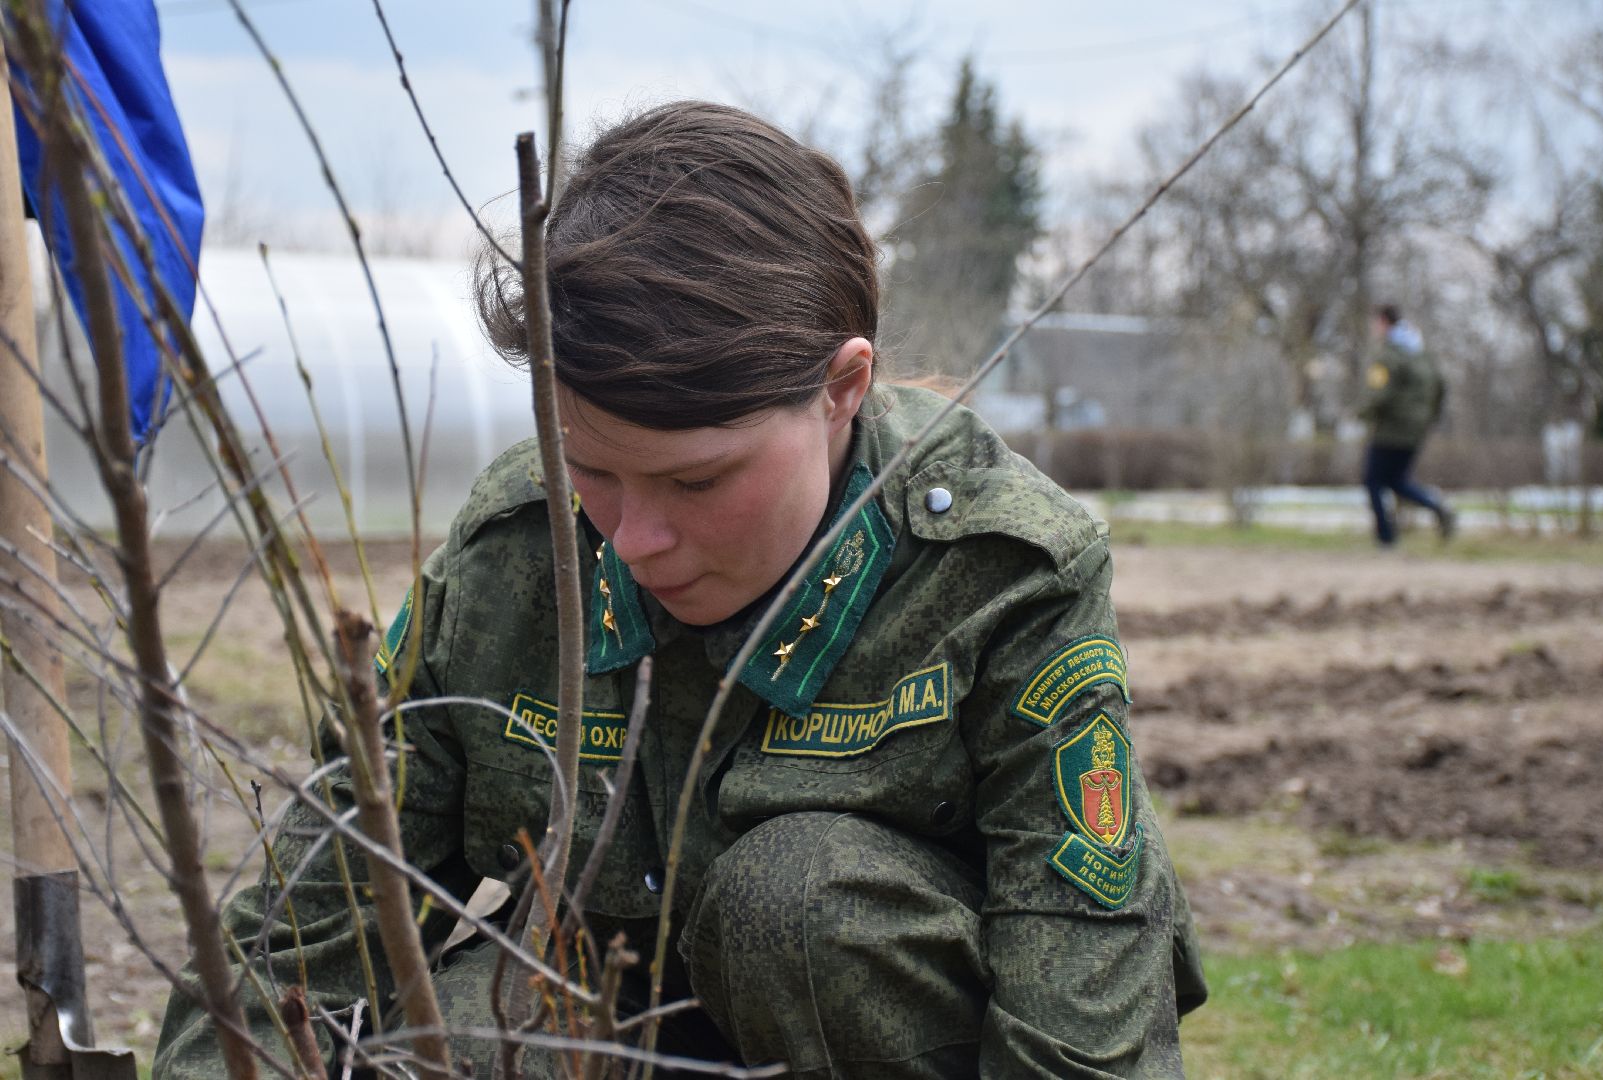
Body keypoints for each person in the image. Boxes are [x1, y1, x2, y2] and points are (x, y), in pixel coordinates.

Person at [155, 101, 1205, 1079]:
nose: (636, 538)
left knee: (796, 908)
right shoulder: (512, 555)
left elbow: (1082, 982)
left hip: (863, 1010)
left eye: (696, 481)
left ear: (842, 390)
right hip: (612, 1008)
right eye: (592, 471)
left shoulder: (997, 572)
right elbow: (313, 920)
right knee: (478, 1029)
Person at [1360, 304, 1454, 547]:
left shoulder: (1388, 354)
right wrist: (1428, 419)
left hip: (1391, 429)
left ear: (1383, 322)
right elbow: (1441, 385)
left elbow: (1379, 394)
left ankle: (1386, 537)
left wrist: (1360, 413)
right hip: (1416, 430)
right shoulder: (1419, 351)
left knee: (1373, 480)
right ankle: (1437, 506)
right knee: (1396, 481)